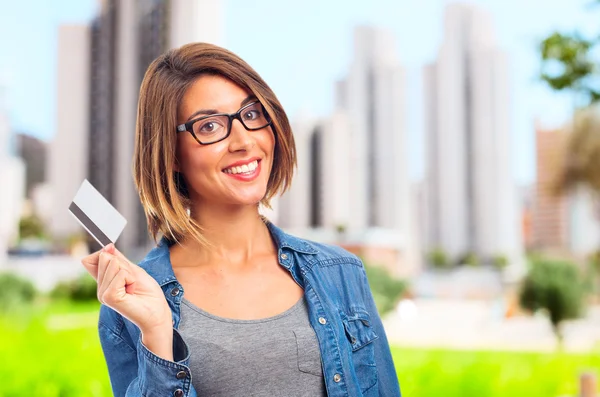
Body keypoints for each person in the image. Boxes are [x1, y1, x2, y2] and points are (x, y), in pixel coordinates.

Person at [81, 42, 401, 397]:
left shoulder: (340, 273)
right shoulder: (131, 306)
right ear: (170, 153)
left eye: (250, 115)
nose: (243, 141)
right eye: (209, 126)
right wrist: (157, 335)